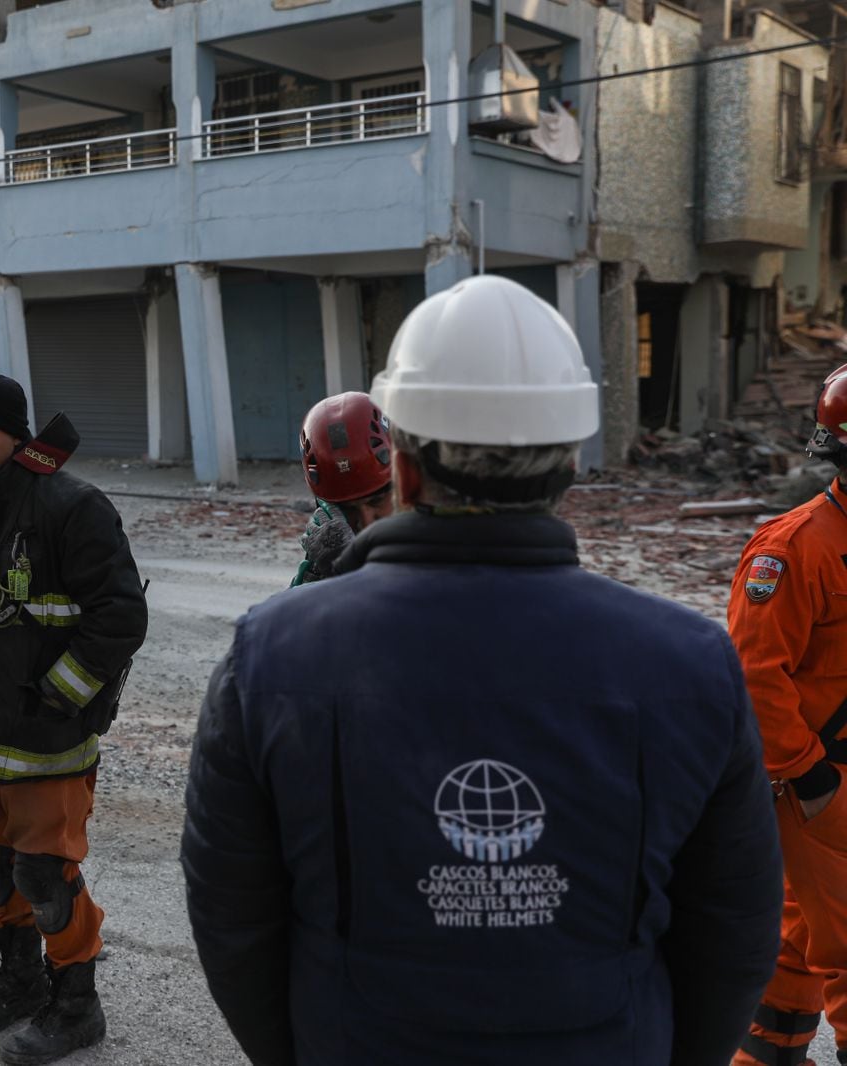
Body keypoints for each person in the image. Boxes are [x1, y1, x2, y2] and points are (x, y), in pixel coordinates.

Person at [182, 275, 782, 1066]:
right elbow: (734, 929)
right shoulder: (690, 661)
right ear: (569, 466)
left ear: (401, 471)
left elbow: (233, 916)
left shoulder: (273, 653)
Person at [0, 375, 148, 1065]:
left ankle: (77, 1004)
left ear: (16, 438)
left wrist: (60, 695)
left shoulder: (71, 505)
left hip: (45, 730)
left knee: (45, 871)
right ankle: (20, 981)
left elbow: (120, 616)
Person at [727, 363, 847, 1066]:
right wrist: (810, 780)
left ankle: (767, 1053)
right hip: (819, 783)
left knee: (802, 931)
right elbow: (753, 677)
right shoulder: (792, 549)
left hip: (826, 788)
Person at [290, 391, 394, 586]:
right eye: (348, 509)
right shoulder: (326, 553)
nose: (367, 522)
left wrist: (349, 572)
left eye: (377, 501)